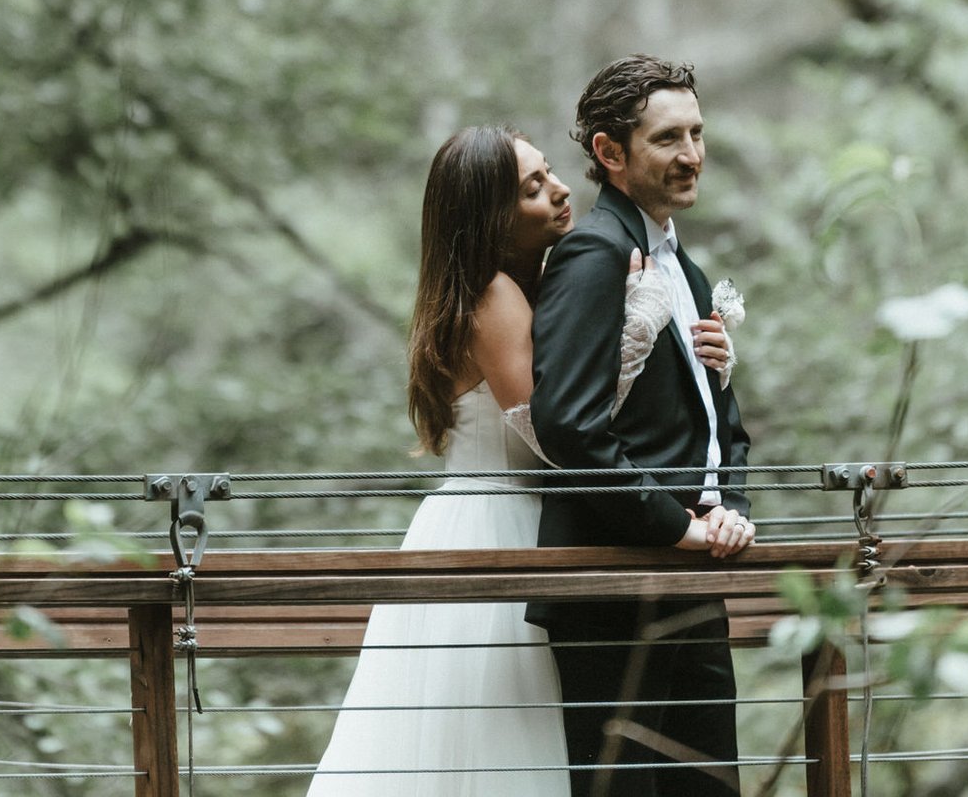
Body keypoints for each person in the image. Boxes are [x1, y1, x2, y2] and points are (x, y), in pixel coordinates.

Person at [306, 125, 733, 793]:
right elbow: (550, 429)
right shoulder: (493, 296)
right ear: (488, 217)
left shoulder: (517, 288)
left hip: (501, 518)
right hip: (500, 524)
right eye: (532, 188)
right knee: (500, 743)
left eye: (549, 172)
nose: (561, 190)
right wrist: (641, 335)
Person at [529, 55, 753, 795]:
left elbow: (721, 422)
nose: (691, 156)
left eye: (696, 134)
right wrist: (673, 524)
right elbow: (568, 425)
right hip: (614, 584)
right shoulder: (594, 255)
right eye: (667, 139)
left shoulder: (682, 268)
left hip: (692, 570)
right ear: (609, 152)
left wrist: (732, 512)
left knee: (711, 786)